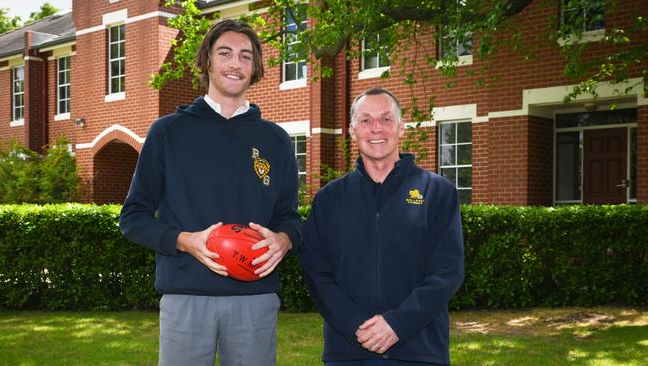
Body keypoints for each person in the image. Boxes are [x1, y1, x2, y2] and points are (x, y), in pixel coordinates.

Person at [119, 19, 301, 366]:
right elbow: (133, 218)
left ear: (256, 67)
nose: (236, 64)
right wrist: (184, 240)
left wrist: (284, 240)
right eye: (225, 53)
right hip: (186, 295)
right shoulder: (168, 132)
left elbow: (289, 218)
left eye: (246, 56)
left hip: (255, 297)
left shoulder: (275, 140)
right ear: (207, 61)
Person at [299, 87, 465, 365]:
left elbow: (448, 271)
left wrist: (396, 324)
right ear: (353, 131)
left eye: (386, 119)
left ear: (401, 128)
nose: (376, 129)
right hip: (348, 352)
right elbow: (316, 271)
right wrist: (357, 325)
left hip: (420, 350)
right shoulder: (329, 199)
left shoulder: (438, 192)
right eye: (366, 120)